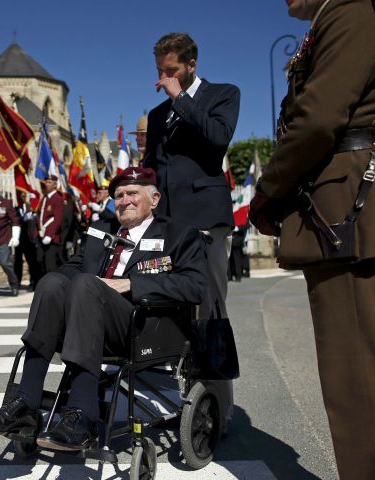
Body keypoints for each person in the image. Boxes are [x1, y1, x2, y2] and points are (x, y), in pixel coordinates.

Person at [0, 166, 208, 450]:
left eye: (132, 193)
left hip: (142, 326)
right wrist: (61, 287)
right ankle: (25, 405)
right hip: (88, 319)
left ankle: (82, 414)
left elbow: (196, 287)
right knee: (50, 283)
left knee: (84, 285)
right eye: (118, 195)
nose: (124, 201)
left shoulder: (178, 234)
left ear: (154, 199)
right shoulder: (101, 230)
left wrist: (131, 284)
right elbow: (75, 268)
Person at [249, 1, 375, 477]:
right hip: (357, 205)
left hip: (351, 209)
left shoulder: (352, 10)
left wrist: (269, 190)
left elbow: (319, 116)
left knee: (358, 382)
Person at [142, 32, 239, 430]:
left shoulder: (222, 94)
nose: (164, 79)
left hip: (205, 220)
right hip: (169, 225)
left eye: (172, 70)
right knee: (171, 309)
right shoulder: (156, 115)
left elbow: (217, 140)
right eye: (160, 71)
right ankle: (184, 402)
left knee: (210, 310)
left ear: (191, 65)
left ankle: (220, 410)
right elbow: (152, 166)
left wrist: (181, 98)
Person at [34, 175, 65, 285]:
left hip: (51, 237)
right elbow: (40, 215)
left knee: (50, 263)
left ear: (55, 185)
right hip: (41, 235)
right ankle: (45, 282)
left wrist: (50, 234)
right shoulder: (45, 198)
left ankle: (54, 284)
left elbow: (57, 218)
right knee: (39, 259)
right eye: (46, 181)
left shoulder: (57, 198)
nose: (46, 184)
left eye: (49, 182)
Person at [13, 190, 40, 292]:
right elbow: (15, 220)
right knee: (18, 262)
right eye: (22, 195)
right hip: (19, 239)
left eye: (25, 195)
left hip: (30, 240)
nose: (23, 197)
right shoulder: (16, 209)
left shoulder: (33, 208)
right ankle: (17, 282)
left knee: (32, 262)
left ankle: (33, 282)